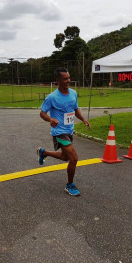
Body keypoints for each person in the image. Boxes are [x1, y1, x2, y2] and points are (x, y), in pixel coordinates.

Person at [37, 68, 91, 196]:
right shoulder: (52, 97)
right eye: (65, 79)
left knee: (64, 157)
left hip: (69, 131)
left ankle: (44, 152)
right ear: (58, 80)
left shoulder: (73, 93)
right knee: (74, 158)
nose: (68, 81)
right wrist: (50, 119)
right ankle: (69, 185)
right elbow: (42, 113)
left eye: (69, 78)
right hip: (59, 132)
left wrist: (83, 119)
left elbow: (75, 109)